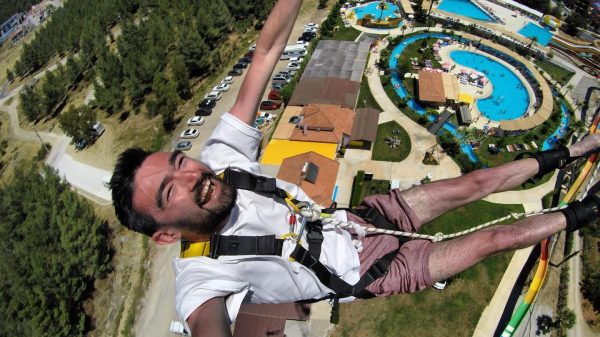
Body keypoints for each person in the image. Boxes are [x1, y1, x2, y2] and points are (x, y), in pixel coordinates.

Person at [109, 1, 600, 336]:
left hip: (360, 216)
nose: (192, 176)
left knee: (478, 181)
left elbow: (264, 55)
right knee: (495, 239)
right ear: (165, 236)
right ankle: (588, 211)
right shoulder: (200, 279)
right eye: (170, 191)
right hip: (372, 270)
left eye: (179, 161)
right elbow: (207, 324)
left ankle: (576, 152)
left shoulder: (218, 159)